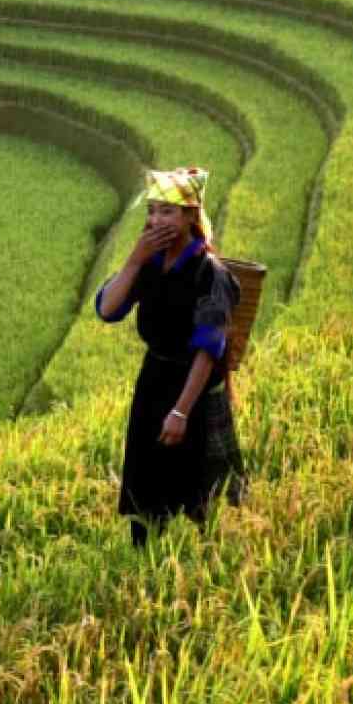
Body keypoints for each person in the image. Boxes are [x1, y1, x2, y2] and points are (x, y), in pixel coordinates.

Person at [95, 167, 245, 542]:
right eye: (152, 211)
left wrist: (180, 411)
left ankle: (194, 571)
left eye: (167, 211)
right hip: (153, 381)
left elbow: (209, 349)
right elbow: (108, 310)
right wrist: (133, 259)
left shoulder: (210, 273)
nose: (155, 220)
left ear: (191, 216)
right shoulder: (149, 263)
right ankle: (143, 560)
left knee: (196, 494)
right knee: (144, 487)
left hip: (191, 389)